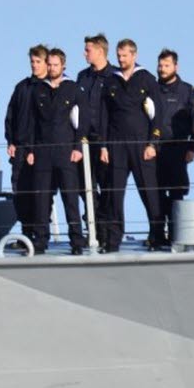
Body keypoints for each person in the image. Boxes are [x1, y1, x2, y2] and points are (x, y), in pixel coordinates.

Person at [98, 39, 165, 252]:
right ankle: (113, 240)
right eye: (118, 56)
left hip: (141, 143)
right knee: (115, 193)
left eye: (124, 56)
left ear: (134, 55)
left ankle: (156, 234)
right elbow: (103, 115)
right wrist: (103, 146)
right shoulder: (111, 81)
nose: (121, 59)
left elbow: (159, 114)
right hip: (116, 144)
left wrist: (152, 143)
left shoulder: (146, 79)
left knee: (149, 191)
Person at [23, 48, 88, 254]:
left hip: (66, 151)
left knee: (70, 198)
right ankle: (40, 241)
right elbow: (31, 122)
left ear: (63, 66)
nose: (51, 68)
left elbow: (84, 122)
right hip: (42, 152)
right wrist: (30, 149)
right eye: (49, 64)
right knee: (41, 199)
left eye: (55, 65)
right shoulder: (38, 90)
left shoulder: (73, 89)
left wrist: (78, 147)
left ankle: (77, 242)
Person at [155, 49, 194, 242]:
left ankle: (176, 232)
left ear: (175, 66)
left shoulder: (188, 91)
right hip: (156, 149)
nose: (162, 69)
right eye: (160, 65)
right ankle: (158, 234)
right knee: (156, 193)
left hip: (178, 149)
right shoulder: (152, 88)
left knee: (176, 192)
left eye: (166, 65)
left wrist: (193, 147)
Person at [76, 34, 117, 246]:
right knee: (85, 188)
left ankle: (107, 233)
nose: (84, 53)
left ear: (100, 51)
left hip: (107, 143)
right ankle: (94, 228)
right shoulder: (82, 77)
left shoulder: (114, 77)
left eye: (88, 50)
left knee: (107, 188)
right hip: (85, 141)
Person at [4, 45, 46, 248]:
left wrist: (35, 149)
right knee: (20, 193)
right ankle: (26, 234)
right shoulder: (22, 87)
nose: (35, 65)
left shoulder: (50, 88)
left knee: (41, 194)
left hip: (40, 151)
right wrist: (10, 140)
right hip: (19, 149)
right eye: (32, 62)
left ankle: (40, 235)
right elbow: (11, 115)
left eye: (38, 62)